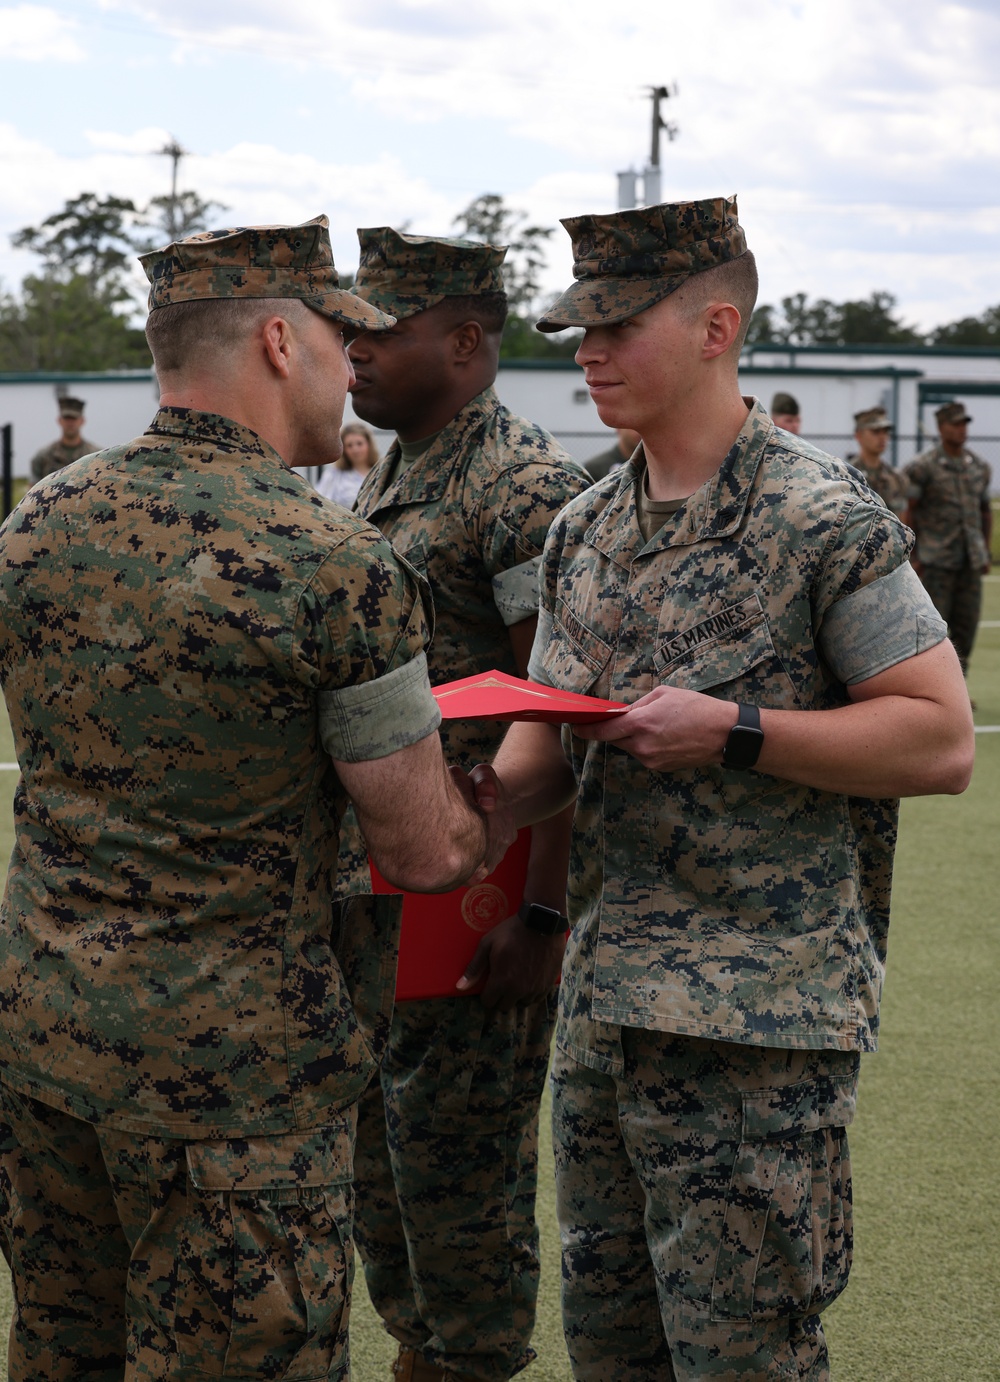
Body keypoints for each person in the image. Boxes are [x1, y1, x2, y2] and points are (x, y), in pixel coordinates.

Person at [0, 215, 514, 1380]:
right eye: (346, 336)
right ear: (282, 340)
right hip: (237, 1092)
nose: (357, 364)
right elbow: (426, 851)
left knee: (61, 1352)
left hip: (44, 1049)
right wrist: (503, 804)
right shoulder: (331, 562)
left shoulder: (40, 520)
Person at [483, 195, 974, 1381]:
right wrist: (475, 781)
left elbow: (937, 737)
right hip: (605, 1014)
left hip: (757, 1026)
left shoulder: (818, 515)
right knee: (613, 1349)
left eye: (617, 324)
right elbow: (543, 757)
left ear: (716, 327)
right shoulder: (582, 529)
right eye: (576, 330)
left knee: (743, 1357)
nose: (588, 352)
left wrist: (738, 729)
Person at [346, 226, 590, 1382]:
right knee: (384, 1177)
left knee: (456, 1184)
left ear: (463, 340)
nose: (352, 347)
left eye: (377, 329)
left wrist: (540, 912)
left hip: (472, 892)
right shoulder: (393, 469)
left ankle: (465, 1361)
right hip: (381, 888)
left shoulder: (522, 484)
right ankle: (422, 1354)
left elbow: (561, 710)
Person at [903, 401, 993, 679]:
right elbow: (910, 510)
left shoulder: (978, 466)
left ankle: (957, 690)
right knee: (932, 631)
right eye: (955, 424)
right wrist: (912, 556)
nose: (961, 429)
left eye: (964, 423)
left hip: (969, 561)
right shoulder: (922, 467)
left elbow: (984, 511)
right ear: (941, 428)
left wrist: (985, 551)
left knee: (966, 628)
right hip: (936, 561)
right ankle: (931, 688)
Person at [849, 406, 907, 513]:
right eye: (875, 432)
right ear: (858, 435)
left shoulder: (896, 478)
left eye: (885, 432)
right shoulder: (847, 476)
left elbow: (902, 520)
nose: (882, 437)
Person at [29, 395, 99, 480]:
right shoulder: (43, 456)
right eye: (66, 418)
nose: (70, 423)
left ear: (82, 421)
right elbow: (33, 489)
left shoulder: (95, 456)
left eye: (74, 418)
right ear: (59, 420)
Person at [315, 420, 381, 508]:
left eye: (359, 443)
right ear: (343, 449)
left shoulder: (381, 472)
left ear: (369, 444)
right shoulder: (334, 475)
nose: (355, 450)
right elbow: (319, 502)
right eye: (349, 445)